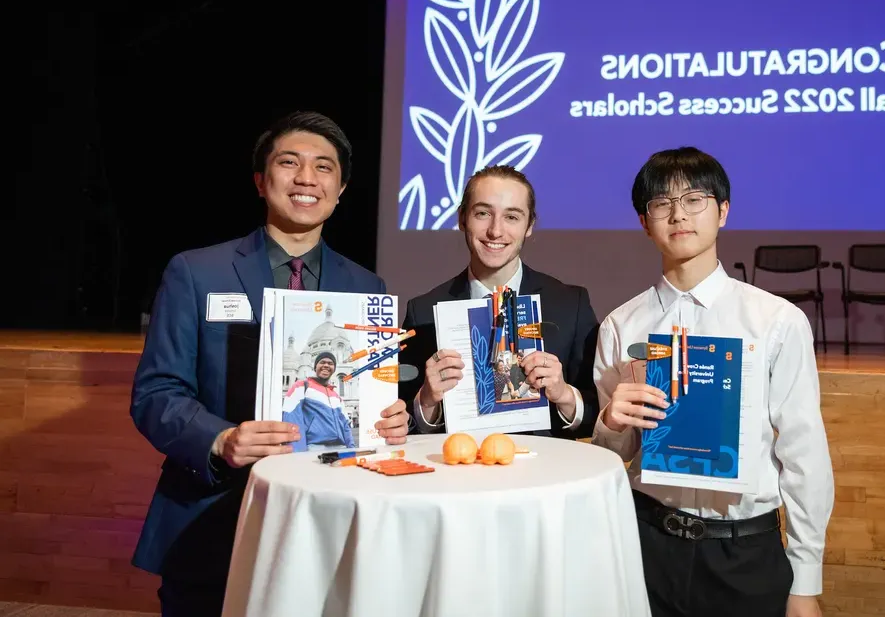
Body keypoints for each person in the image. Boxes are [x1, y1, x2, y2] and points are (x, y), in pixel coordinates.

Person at [129, 111, 410, 617]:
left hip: (329, 519)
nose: (307, 178)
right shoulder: (196, 271)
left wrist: (387, 417)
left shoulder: (367, 288)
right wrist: (220, 439)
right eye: (289, 163)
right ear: (261, 181)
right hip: (215, 518)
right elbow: (156, 394)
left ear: (341, 189)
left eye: (324, 167)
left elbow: (368, 395)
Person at [591, 147, 834, 617]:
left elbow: (804, 454)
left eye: (694, 199)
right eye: (662, 204)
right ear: (645, 222)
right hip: (646, 547)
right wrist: (610, 421)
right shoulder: (621, 326)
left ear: (723, 211)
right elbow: (611, 456)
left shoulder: (776, 321)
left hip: (743, 553)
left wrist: (805, 580)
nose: (678, 214)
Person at [400, 165, 600, 438]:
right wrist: (427, 401)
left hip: (547, 474)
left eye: (512, 217)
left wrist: (564, 395)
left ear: (529, 226)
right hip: (457, 472)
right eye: (483, 214)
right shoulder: (423, 311)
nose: (496, 231)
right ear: (462, 219)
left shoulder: (570, 304)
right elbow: (402, 422)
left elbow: (598, 412)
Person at [283, 350, 356, 451]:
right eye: (322, 362)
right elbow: (292, 420)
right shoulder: (301, 386)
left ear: (334, 369)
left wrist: (351, 449)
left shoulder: (337, 397)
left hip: (340, 448)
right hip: (315, 447)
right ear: (315, 367)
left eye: (330, 363)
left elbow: (345, 426)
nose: (326, 365)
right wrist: (298, 453)